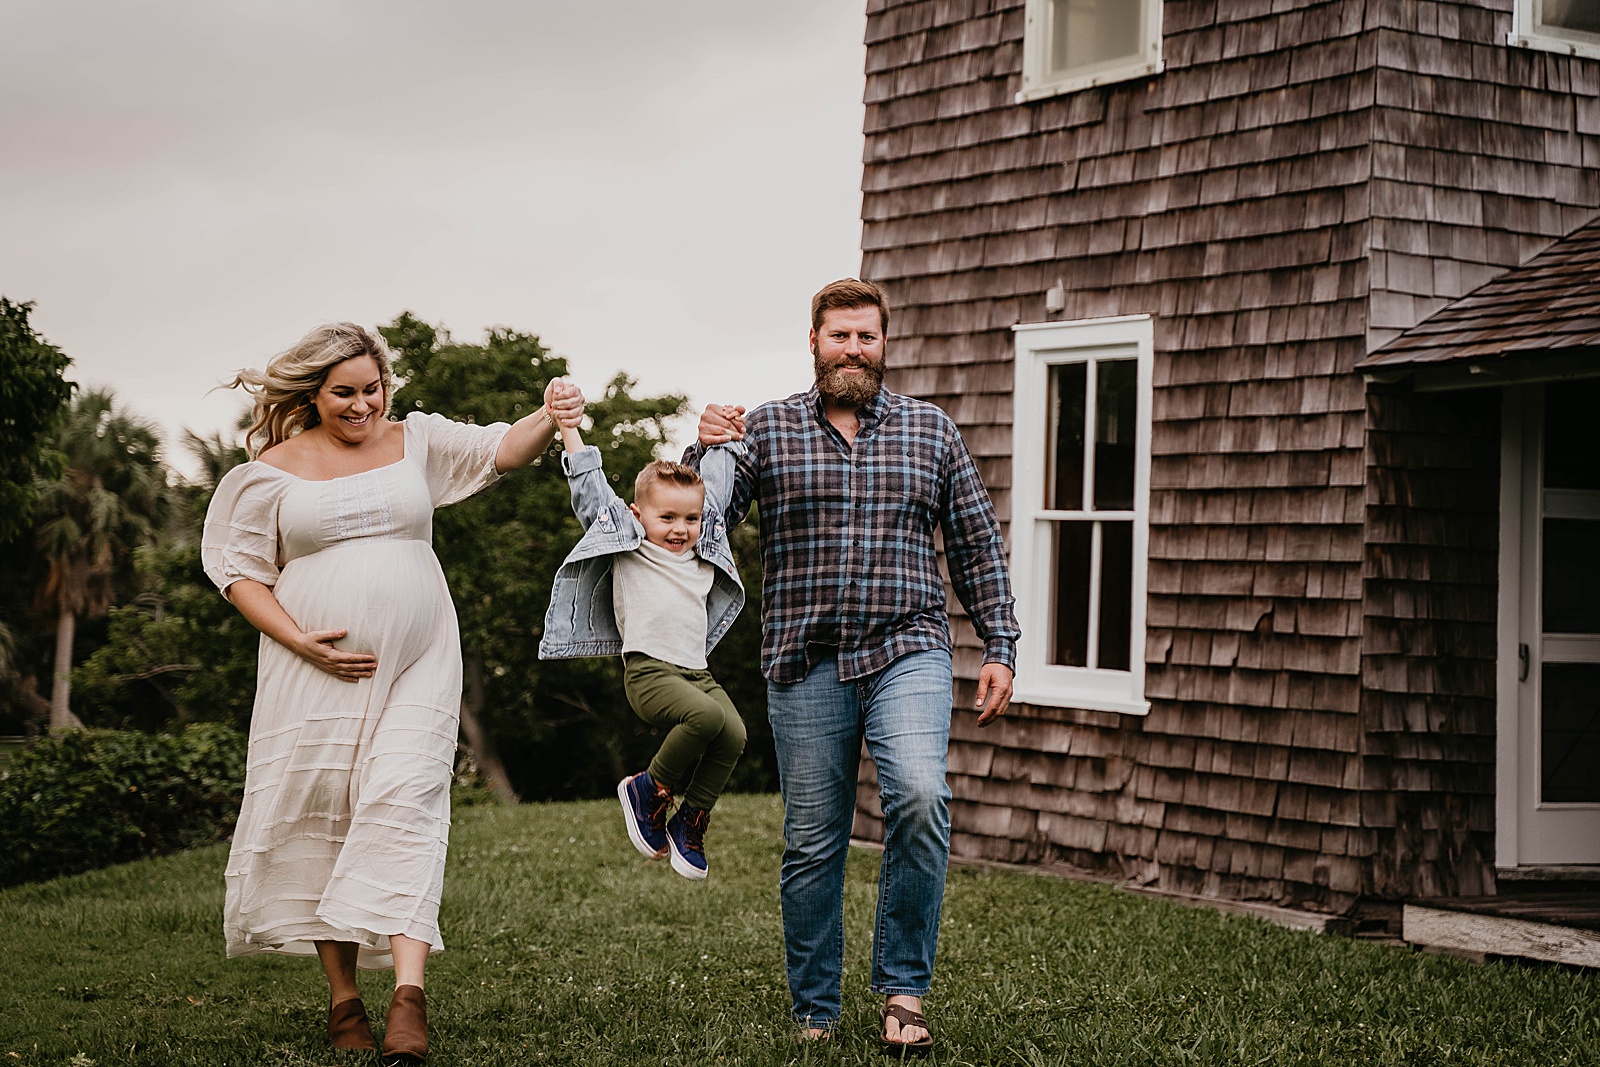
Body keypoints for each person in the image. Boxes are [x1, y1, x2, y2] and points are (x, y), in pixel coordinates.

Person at [201, 322, 584, 1062]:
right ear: (313, 393)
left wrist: (549, 412)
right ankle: (345, 1000)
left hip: (420, 657)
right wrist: (295, 636)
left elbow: (501, 450)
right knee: (327, 811)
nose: (361, 405)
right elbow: (237, 568)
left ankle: (409, 995)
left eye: (371, 389)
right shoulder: (272, 469)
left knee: (406, 797)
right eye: (343, 392)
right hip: (315, 666)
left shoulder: (418, 440)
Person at [691, 278, 1019, 1054]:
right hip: (803, 658)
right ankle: (815, 1005)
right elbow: (704, 517)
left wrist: (999, 644)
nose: (853, 349)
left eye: (866, 337)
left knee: (917, 792)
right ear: (813, 342)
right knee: (813, 837)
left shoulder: (930, 432)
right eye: (840, 335)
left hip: (908, 647)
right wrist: (704, 446)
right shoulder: (765, 430)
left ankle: (903, 988)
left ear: (883, 343)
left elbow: (976, 544)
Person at [538, 408, 746, 880]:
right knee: (707, 717)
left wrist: (728, 440)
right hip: (650, 672)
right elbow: (591, 493)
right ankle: (649, 790)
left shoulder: (702, 546)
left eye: (689, 518)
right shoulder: (629, 542)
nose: (679, 528)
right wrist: (568, 427)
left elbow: (716, 487)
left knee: (734, 734)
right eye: (667, 517)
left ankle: (688, 823)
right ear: (638, 514)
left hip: (697, 672)